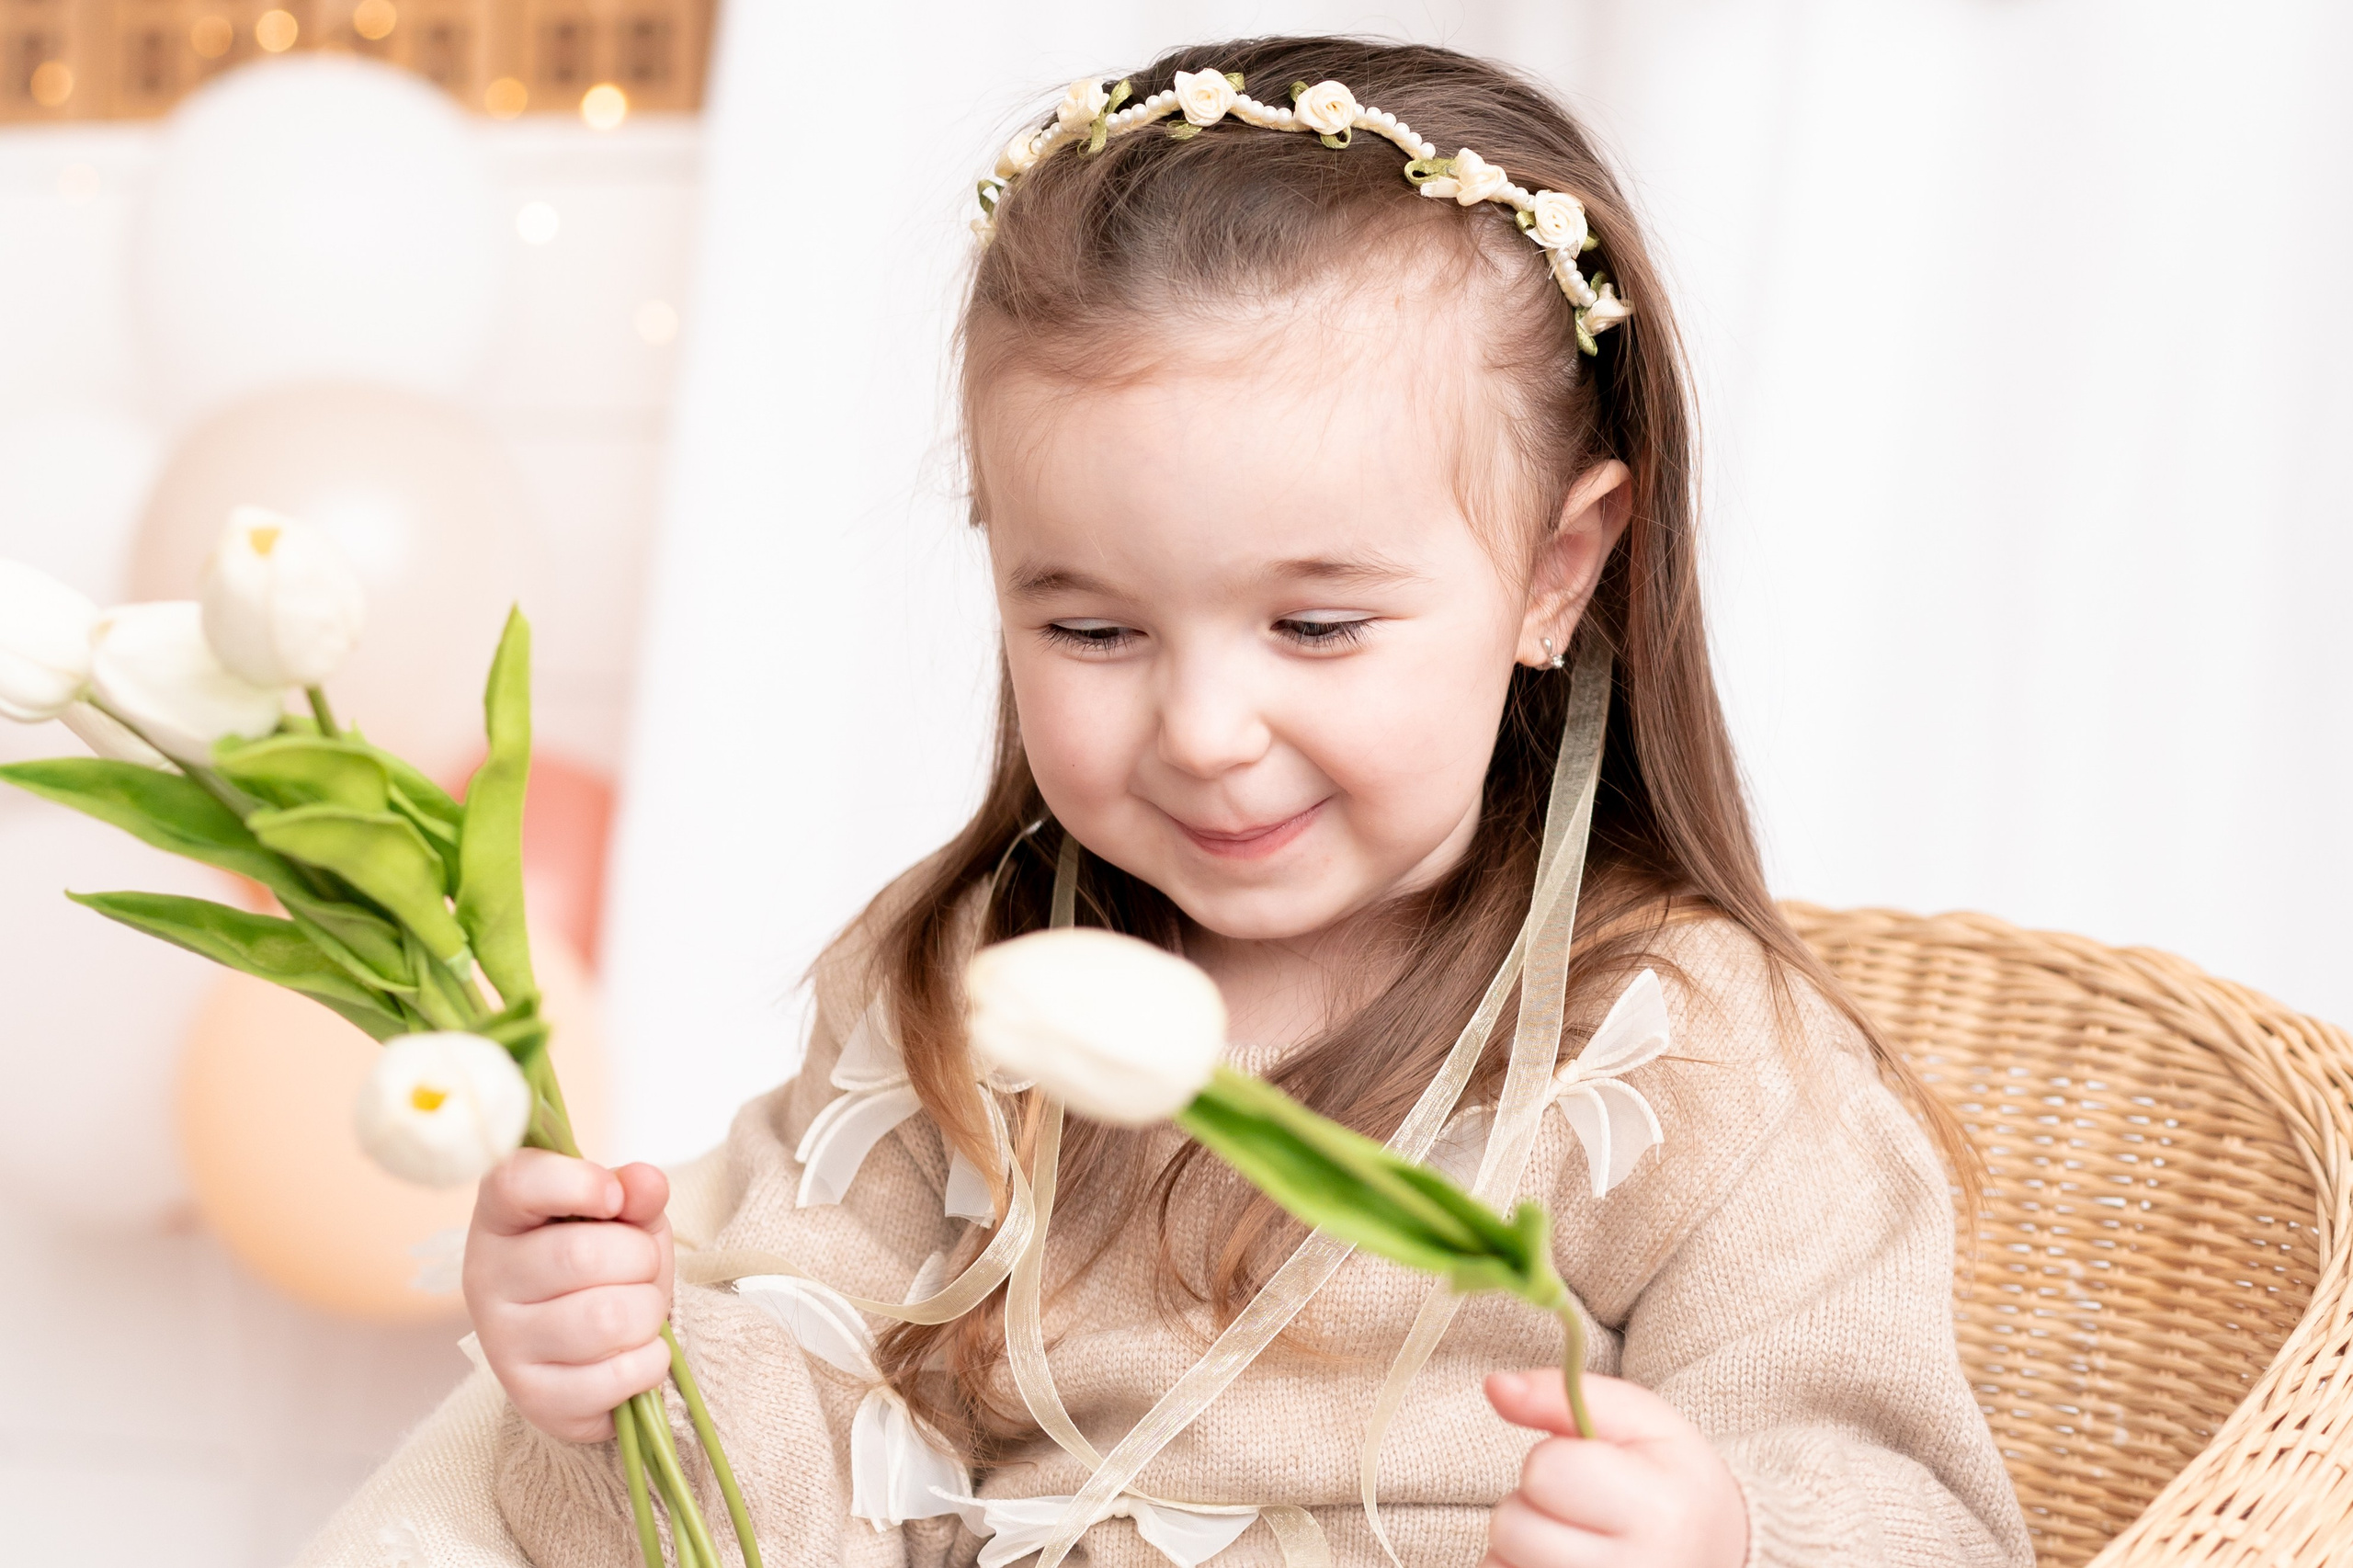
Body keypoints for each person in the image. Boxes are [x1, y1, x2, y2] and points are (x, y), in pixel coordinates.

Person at [302, 36, 2033, 1568]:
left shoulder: (1693, 1059)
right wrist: (621, 1379)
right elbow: (793, 1502)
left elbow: (1920, 1506)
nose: (1206, 727)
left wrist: (1728, 1535)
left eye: (1317, 624)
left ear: (1555, 570)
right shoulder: (958, 996)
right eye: (1095, 627)